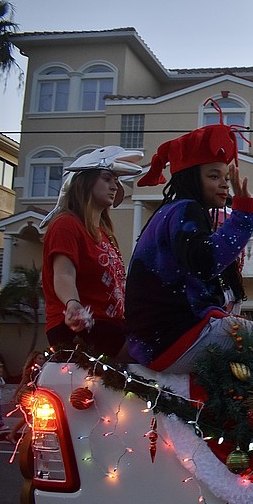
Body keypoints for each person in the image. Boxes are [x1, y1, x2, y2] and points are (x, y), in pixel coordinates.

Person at [125, 120, 253, 373]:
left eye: (226, 177)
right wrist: (243, 216)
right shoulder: (185, 209)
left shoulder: (171, 211)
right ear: (191, 177)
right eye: (213, 176)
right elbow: (205, 262)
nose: (225, 184)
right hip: (175, 339)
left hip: (160, 341)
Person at [41, 146, 144, 357]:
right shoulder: (66, 224)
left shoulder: (105, 234)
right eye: (107, 178)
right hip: (81, 328)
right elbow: (64, 273)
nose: (115, 186)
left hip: (112, 328)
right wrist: (73, 305)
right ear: (85, 182)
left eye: (116, 180)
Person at [8, 350, 46, 444]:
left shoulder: (40, 370)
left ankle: (32, 437)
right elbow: (22, 382)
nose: (42, 360)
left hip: (34, 395)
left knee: (32, 416)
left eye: (43, 358)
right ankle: (12, 435)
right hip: (27, 395)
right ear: (34, 359)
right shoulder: (31, 370)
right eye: (39, 358)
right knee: (29, 416)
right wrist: (14, 396)